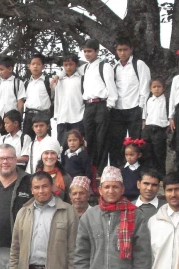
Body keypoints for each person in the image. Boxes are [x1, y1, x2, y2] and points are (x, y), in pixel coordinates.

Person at [109, 37, 151, 169]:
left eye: (125, 49)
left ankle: (139, 170)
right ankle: (118, 170)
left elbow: (145, 88)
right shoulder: (114, 67)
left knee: (136, 142)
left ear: (131, 49)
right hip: (118, 109)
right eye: (119, 50)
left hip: (135, 108)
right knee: (116, 142)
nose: (122, 53)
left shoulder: (139, 65)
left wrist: (142, 110)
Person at [80, 39, 117, 171]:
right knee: (89, 139)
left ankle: (101, 170)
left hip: (101, 104)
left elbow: (111, 88)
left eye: (89, 51)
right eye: (85, 51)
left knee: (102, 139)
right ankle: (91, 170)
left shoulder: (104, 66)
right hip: (88, 106)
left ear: (96, 51)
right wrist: (58, 76)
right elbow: (70, 68)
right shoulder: (85, 67)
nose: (87, 54)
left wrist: (108, 106)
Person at [52, 54, 84, 148]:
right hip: (63, 118)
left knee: (77, 146)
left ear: (76, 65)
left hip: (78, 117)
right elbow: (57, 99)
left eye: (71, 64)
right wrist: (56, 115)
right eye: (65, 65)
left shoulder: (81, 79)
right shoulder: (59, 80)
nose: (68, 67)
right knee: (62, 147)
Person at [142, 77, 169, 174]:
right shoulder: (149, 100)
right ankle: (149, 173)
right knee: (148, 152)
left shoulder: (166, 100)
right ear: (150, 89)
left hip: (160, 129)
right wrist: (144, 128)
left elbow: (169, 115)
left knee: (159, 153)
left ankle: (161, 174)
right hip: (148, 128)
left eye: (159, 86)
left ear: (163, 88)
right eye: (154, 87)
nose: (156, 89)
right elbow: (145, 116)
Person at [23, 54, 53, 139]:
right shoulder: (26, 83)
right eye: (33, 64)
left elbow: (55, 98)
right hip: (28, 116)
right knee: (27, 139)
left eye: (38, 64)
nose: (35, 66)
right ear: (29, 66)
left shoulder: (48, 81)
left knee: (44, 140)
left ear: (43, 66)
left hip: (43, 115)